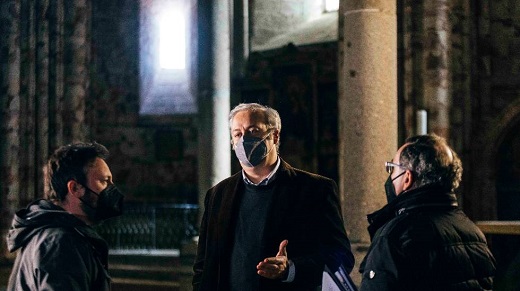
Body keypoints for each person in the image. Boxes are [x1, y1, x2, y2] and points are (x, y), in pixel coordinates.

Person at [193, 103, 354, 291]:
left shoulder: (315, 190)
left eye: (253, 131)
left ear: (274, 135)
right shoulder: (218, 194)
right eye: (237, 134)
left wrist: (290, 269)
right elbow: (203, 265)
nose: (244, 139)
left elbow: (341, 257)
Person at [359, 134, 496, 290]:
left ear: (407, 178)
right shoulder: (474, 232)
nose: (390, 177)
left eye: (392, 168)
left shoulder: (395, 236)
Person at [6, 142, 124, 291]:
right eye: (104, 181)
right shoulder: (61, 243)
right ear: (75, 188)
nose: (111, 189)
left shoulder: (53, 234)